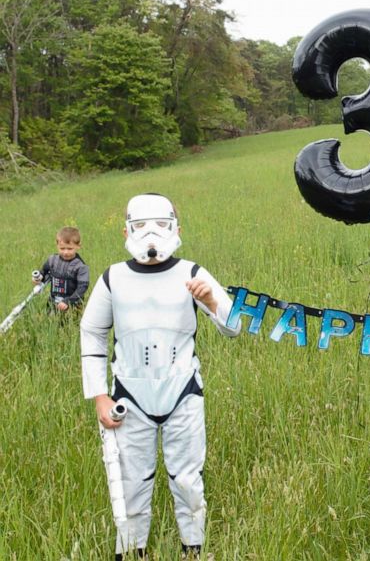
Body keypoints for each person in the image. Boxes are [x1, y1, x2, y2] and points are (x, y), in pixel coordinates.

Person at [80, 194, 239, 559]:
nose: (151, 234)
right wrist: (100, 395)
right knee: (132, 480)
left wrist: (213, 303)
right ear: (126, 230)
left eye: (161, 225)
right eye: (140, 226)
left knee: (186, 477)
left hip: (182, 391)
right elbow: (92, 332)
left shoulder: (193, 273)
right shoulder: (112, 278)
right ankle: (131, 548)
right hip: (129, 396)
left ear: (176, 229)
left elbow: (234, 326)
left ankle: (192, 547)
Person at [33, 226, 90, 317]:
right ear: (57, 245)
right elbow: (43, 272)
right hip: (52, 301)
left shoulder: (81, 266)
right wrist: (38, 278)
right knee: (50, 323)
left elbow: (82, 287)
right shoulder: (52, 260)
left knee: (68, 327)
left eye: (70, 248)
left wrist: (69, 301)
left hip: (73, 305)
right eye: (62, 248)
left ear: (78, 246)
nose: (65, 252)